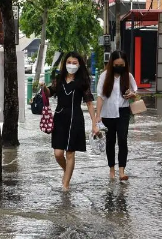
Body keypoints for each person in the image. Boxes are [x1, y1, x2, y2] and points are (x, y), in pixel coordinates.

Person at [42, 51, 98, 191]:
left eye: (74, 63)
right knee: (58, 153)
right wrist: (43, 88)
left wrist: (94, 123)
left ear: (79, 65)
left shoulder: (83, 82)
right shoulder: (58, 79)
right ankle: (68, 171)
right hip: (60, 118)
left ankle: (65, 185)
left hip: (75, 119)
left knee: (70, 153)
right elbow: (50, 92)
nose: (71, 65)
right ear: (64, 63)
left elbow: (89, 103)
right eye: (69, 62)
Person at [95, 50, 138, 181]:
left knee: (123, 140)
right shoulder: (104, 76)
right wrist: (98, 116)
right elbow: (100, 97)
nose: (119, 66)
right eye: (116, 64)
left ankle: (122, 170)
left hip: (123, 111)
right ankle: (112, 169)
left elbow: (135, 90)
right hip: (108, 113)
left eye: (121, 64)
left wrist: (132, 94)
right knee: (110, 141)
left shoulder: (128, 76)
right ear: (111, 63)